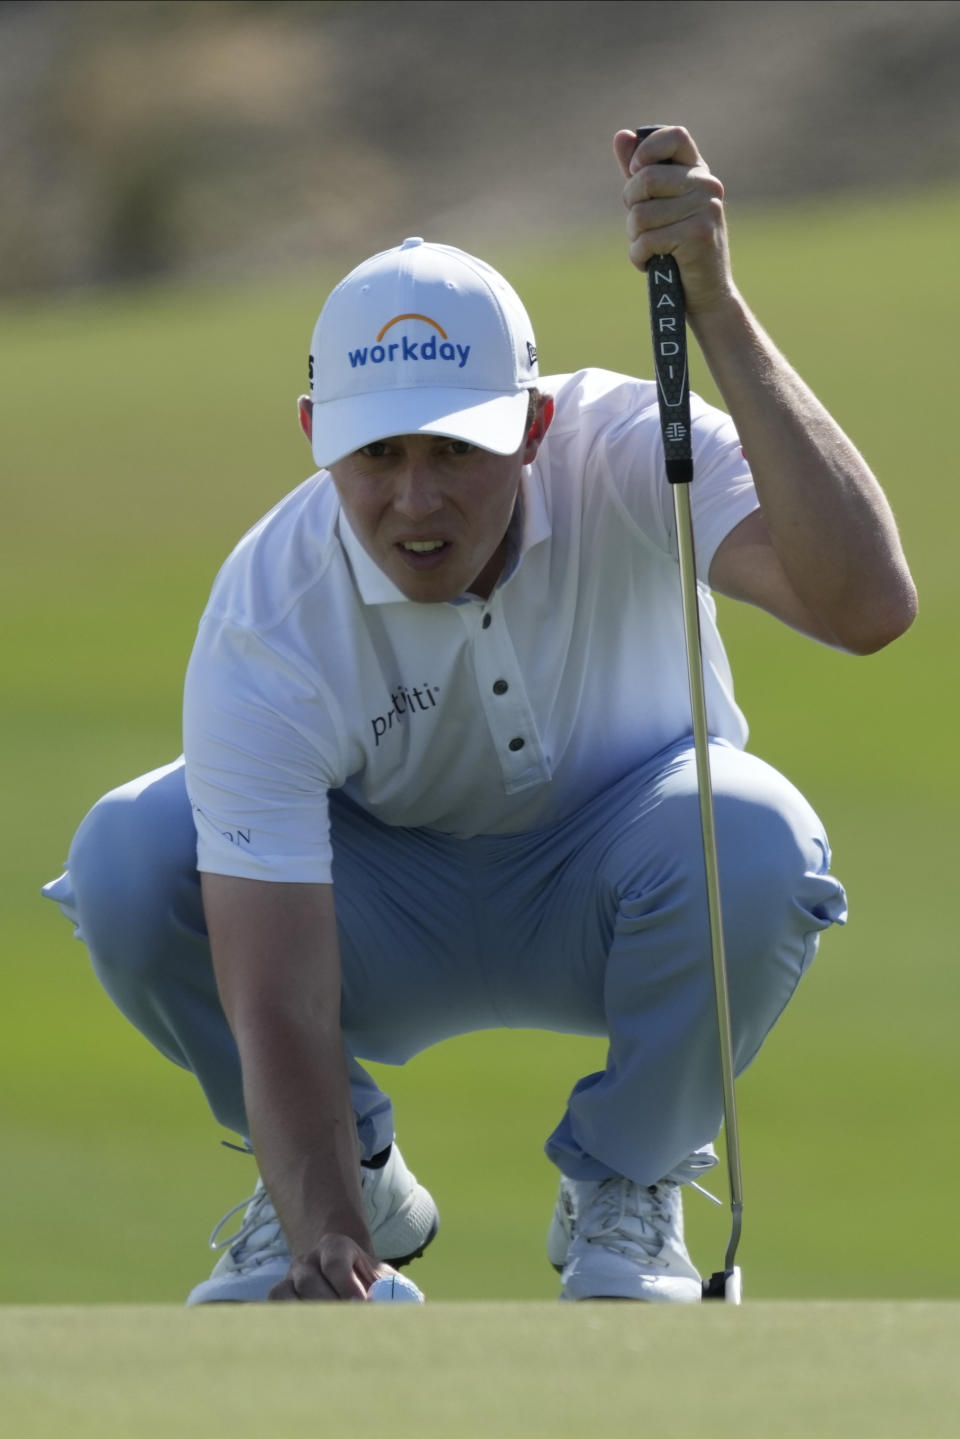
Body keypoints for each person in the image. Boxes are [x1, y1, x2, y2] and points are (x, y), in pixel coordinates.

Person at [43, 126, 916, 1305]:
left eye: (457, 448)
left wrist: (712, 304)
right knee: (130, 854)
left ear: (534, 426)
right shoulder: (270, 608)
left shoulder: (626, 441)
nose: (416, 499)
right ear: (314, 437)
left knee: (753, 831)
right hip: (377, 914)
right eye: (377, 453)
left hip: (627, 886)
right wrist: (329, 1240)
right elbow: (277, 988)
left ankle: (629, 1186)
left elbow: (864, 605)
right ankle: (343, 1180)